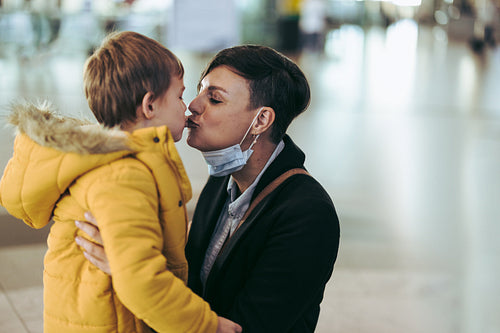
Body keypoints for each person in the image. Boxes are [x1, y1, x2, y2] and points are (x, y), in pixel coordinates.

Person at [76, 44, 340, 332]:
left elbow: (249, 326)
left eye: (214, 99)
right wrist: (138, 262)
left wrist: (130, 273)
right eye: (199, 91)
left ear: (261, 120)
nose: (192, 105)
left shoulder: (307, 213)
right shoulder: (221, 182)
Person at [0, 31, 241, 333]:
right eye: (179, 95)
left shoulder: (120, 165)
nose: (187, 106)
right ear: (149, 105)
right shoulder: (123, 176)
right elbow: (140, 277)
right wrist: (206, 325)